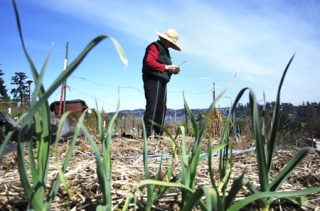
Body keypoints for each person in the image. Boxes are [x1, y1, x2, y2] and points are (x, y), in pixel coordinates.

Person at [142, 28, 181, 138]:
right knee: (153, 107)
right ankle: (147, 135)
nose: (170, 45)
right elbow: (149, 62)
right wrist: (166, 67)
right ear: (165, 39)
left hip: (162, 81)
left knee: (161, 108)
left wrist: (172, 70)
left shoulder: (165, 50)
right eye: (170, 43)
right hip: (153, 79)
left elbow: (164, 67)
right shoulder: (154, 46)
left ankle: (158, 135)